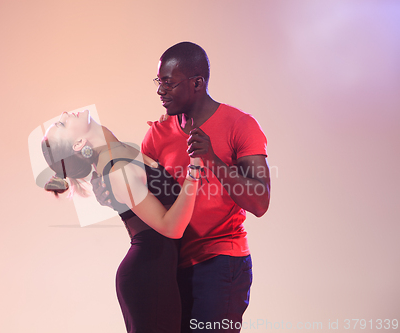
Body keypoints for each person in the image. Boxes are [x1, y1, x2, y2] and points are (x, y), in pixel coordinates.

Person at [95, 42, 270, 332]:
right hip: (170, 266)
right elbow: (150, 198)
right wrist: (113, 198)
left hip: (220, 262)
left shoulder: (241, 125)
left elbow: (260, 203)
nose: (160, 90)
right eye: (159, 81)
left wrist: (211, 158)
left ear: (197, 83)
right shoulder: (157, 133)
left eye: (169, 83)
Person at [41, 108, 204, 333]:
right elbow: (171, 227)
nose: (63, 113)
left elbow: (104, 141)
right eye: (62, 125)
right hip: (148, 275)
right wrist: (195, 168)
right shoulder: (116, 168)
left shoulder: (114, 152)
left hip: (158, 271)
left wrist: (169, 127)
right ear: (78, 143)